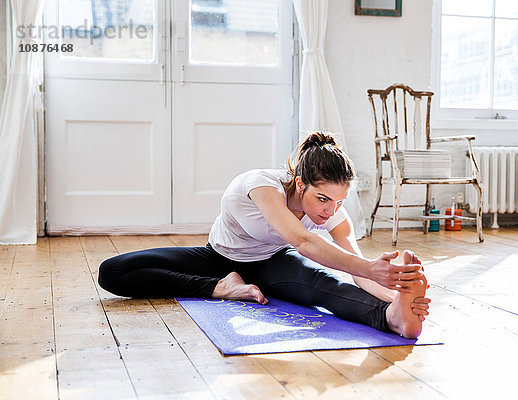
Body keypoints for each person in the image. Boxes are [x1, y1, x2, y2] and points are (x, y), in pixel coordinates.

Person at [98, 132, 430, 338]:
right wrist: (372, 268)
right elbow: (302, 241)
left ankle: (391, 319)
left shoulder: (333, 213)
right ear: (300, 183)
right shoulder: (262, 185)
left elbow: (356, 268)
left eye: (339, 201)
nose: (330, 211)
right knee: (113, 272)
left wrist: (396, 295)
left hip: (271, 264)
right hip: (217, 259)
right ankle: (220, 288)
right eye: (324, 199)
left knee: (324, 287)